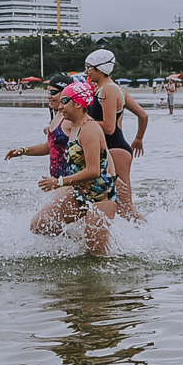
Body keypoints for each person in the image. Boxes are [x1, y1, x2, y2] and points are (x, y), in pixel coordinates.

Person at [28, 81, 120, 253]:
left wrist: (58, 182)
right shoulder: (73, 127)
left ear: (78, 104)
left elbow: (94, 171)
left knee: (96, 252)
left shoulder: (89, 129)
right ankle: (75, 247)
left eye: (65, 101)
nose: (60, 106)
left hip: (101, 194)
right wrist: (24, 151)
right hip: (79, 192)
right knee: (40, 224)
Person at [83, 49, 149, 221]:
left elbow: (109, 127)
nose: (86, 72)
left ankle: (154, 236)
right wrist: (138, 138)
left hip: (116, 150)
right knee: (104, 203)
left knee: (125, 209)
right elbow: (143, 115)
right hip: (112, 149)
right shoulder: (109, 89)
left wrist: (82, 122)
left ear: (100, 69)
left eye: (88, 68)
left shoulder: (109, 90)